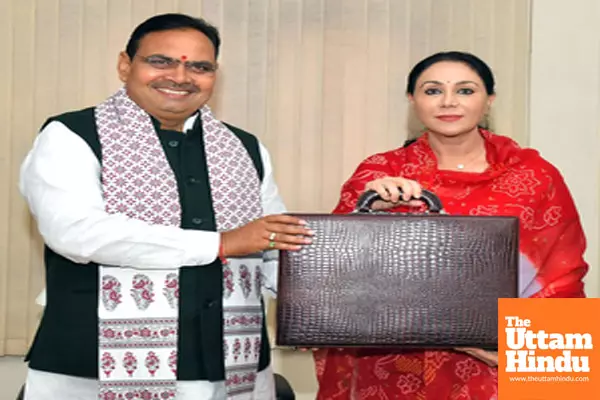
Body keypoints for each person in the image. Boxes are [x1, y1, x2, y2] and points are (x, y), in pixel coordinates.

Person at [19, 13, 313, 400]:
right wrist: (220, 244)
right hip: (93, 365)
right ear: (126, 65)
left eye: (200, 67)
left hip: (230, 363)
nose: (180, 76)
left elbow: (273, 243)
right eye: (161, 61)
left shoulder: (244, 147)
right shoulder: (71, 135)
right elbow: (75, 232)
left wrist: (312, 305)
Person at [313, 51, 589, 399]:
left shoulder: (534, 176)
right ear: (412, 101)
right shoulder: (380, 173)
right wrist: (368, 214)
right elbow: (332, 273)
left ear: (489, 101)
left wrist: (521, 353)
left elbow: (562, 275)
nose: (448, 102)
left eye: (465, 90)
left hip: (497, 362)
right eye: (432, 91)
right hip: (395, 365)